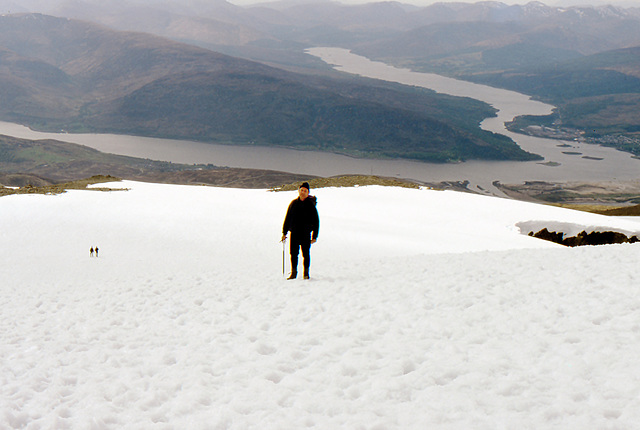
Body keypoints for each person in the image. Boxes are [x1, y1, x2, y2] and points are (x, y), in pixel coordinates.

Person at [282, 182, 319, 280]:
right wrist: (284, 233)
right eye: (301, 190)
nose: (302, 192)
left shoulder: (311, 205)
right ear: (299, 191)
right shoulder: (293, 203)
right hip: (294, 233)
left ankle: (306, 274)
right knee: (293, 254)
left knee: (305, 254)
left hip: (305, 234)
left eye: (305, 191)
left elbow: (316, 221)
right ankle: (293, 273)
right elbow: (287, 218)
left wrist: (314, 236)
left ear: (308, 193)